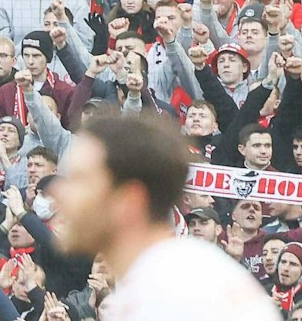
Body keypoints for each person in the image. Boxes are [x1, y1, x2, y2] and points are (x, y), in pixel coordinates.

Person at [56, 112, 280, 321]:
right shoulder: (148, 281)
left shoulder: (182, 295)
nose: (60, 192)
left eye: (81, 180)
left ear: (129, 200)